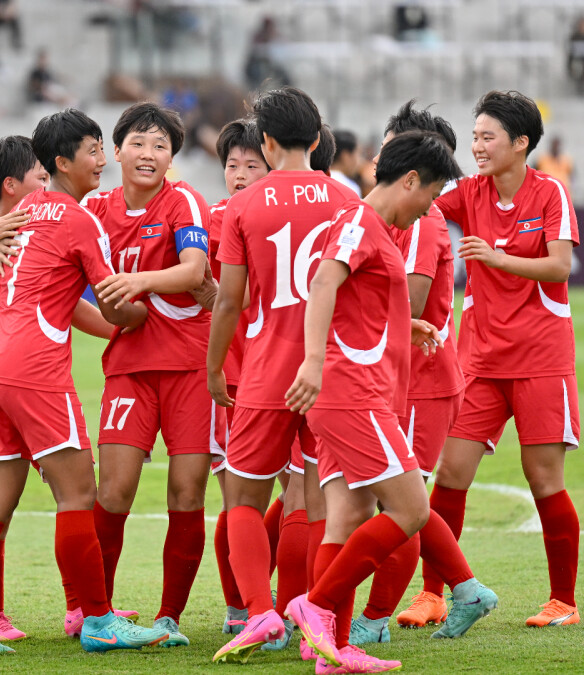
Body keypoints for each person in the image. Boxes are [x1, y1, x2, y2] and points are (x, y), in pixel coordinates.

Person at [284, 130, 497, 672]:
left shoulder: (369, 224)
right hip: (353, 395)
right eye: (430, 195)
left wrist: (406, 323)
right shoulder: (361, 222)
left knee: (350, 517)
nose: (429, 208)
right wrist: (312, 361)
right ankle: (316, 606)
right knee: (411, 509)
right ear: (410, 180)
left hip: (354, 393)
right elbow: (324, 285)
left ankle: (334, 652)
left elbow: (357, 301)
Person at [0, 108, 168, 653]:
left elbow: (57, 298)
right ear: (62, 162)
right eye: (92, 150)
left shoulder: (25, 211)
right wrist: (146, 313)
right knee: (78, 493)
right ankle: (97, 620)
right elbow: (114, 303)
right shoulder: (79, 220)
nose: (102, 159)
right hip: (37, 369)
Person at [207, 87, 359, 664]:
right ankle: (322, 628)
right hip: (330, 371)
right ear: (316, 139)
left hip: (266, 368)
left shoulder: (243, 205)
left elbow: (229, 300)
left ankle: (259, 612)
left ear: (266, 142)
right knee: (325, 508)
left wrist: (214, 366)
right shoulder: (346, 199)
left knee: (244, 498)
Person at [429, 90, 580, 628]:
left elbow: (560, 267)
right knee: (450, 473)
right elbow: (420, 204)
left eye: (486, 137)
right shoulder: (468, 190)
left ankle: (563, 601)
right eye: (474, 137)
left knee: (544, 479)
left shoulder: (550, 192)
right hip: (479, 361)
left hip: (541, 359)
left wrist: (497, 257)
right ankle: (432, 594)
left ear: (520, 143)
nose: (477, 146)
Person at [82, 102, 213, 648]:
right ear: (116, 151)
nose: (149, 154)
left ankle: (169, 616)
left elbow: (194, 271)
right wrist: (112, 322)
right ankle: (95, 612)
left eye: (161, 146)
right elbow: (70, 287)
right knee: (113, 492)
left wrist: (139, 282)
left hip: (190, 367)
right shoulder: (93, 208)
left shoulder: (183, 200)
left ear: (171, 158)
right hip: (129, 369)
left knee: (186, 494)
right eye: (138, 142)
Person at [352, 101, 465, 641]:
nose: (381, 158)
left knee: (402, 504)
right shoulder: (383, 212)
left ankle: (373, 620)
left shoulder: (424, 220)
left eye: (393, 147)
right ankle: (467, 588)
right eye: (384, 146)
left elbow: (411, 307)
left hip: (422, 377)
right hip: (391, 375)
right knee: (393, 500)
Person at [206, 118, 277, 639]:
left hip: (278, 370)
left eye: (252, 165)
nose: (240, 174)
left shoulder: (278, 216)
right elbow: (220, 291)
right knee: (239, 498)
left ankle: (281, 601)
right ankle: (241, 607)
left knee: (296, 495)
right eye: (232, 165)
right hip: (234, 378)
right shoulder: (216, 217)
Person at [0, 135, 44, 646]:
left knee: (4, 502)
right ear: (11, 185)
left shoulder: (23, 237)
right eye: (41, 178)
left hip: (19, 379)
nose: (48, 186)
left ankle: (86, 605)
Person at [330, 130, 363, 196]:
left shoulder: (317, 181)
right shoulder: (350, 188)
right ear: (346, 156)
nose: (360, 161)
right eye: (358, 154)